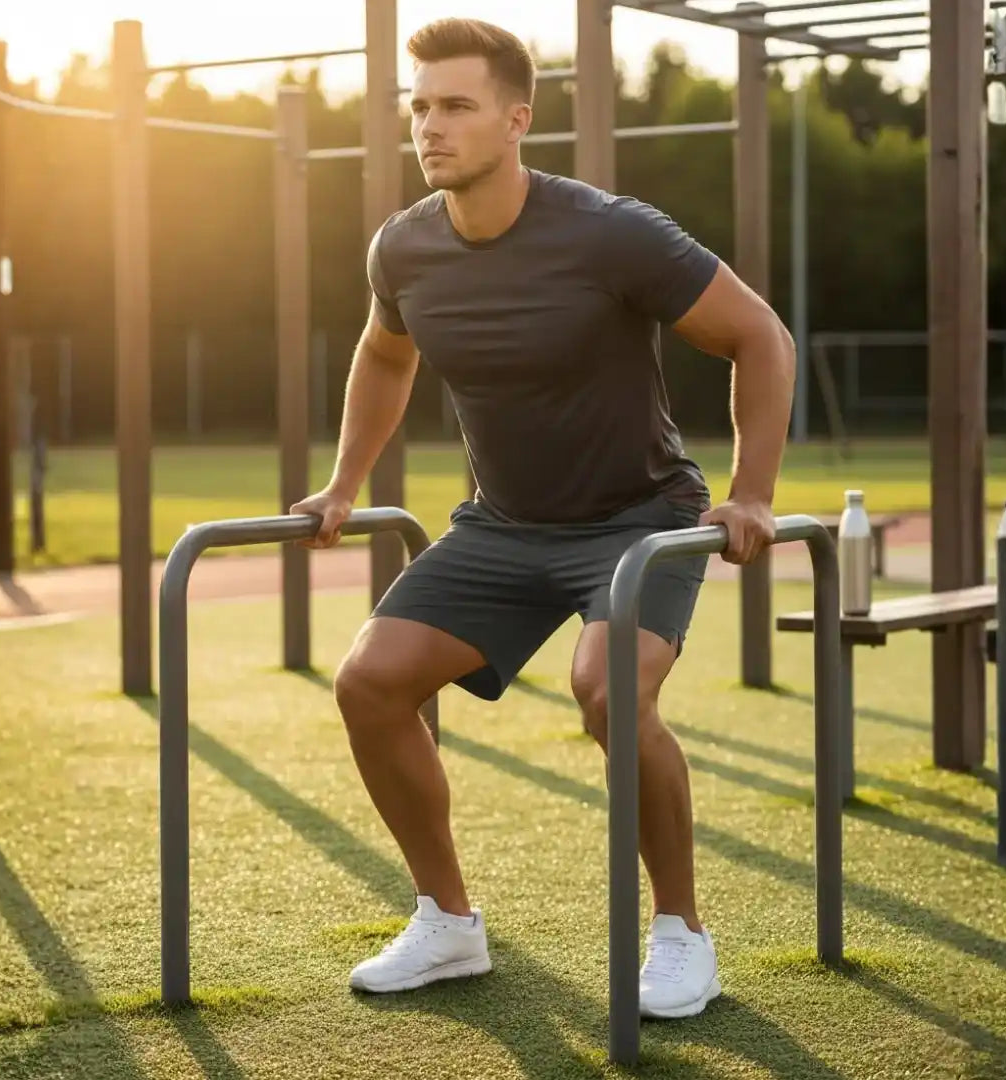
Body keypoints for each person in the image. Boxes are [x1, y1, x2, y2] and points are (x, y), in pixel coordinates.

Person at [289, 16, 795, 1020]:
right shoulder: (405, 248)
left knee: (609, 694)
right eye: (420, 107)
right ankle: (447, 922)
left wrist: (754, 492)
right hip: (504, 526)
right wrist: (345, 481)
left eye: (456, 106)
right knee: (371, 683)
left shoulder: (611, 232)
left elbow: (759, 336)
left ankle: (681, 933)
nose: (429, 127)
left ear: (518, 120)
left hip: (636, 518)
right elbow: (386, 354)